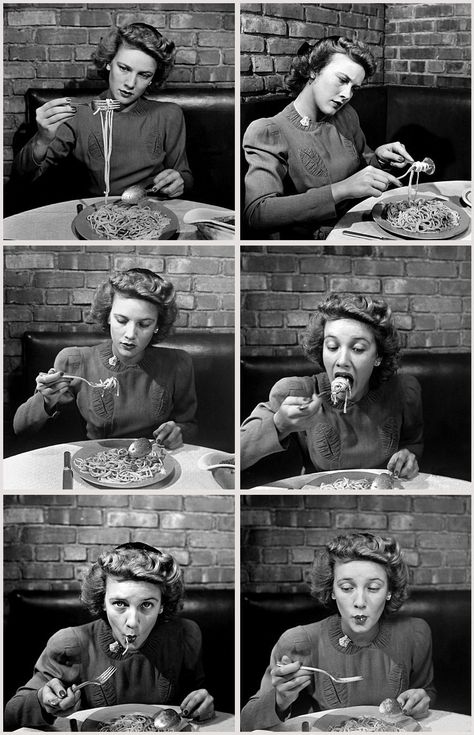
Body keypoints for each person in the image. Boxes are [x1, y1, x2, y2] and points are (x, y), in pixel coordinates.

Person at [4, 542, 214, 730]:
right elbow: (10, 715)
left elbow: (198, 700)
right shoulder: (70, 643)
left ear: (162, 606)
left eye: (147, 604)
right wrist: (42, 701)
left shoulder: (186, 635)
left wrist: (202, 704)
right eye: (120, 604)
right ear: (102, 602)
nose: (132, 621)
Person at [241, 532, 435, 730]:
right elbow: (246, 723)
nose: (360, 602)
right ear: (332, 590)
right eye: (347, 588)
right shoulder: (299, 642)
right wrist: (280, 699)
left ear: (389, 591)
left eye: (374, 587)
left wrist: (420, 700)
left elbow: (426, 693)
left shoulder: (415, 634)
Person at [243, 36, 414, 239]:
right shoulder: (268, 131)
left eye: (354, 88)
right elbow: (257, 214)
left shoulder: (346, 114)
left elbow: (364, 166)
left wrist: (380, 159)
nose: (347, 94)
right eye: (342, 80)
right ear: (314, 70)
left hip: (363, 226)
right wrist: (342, 189)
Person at [241, 293, 422, 479]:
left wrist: (408, 456)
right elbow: (233, 460)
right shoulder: (296, 393)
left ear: (378, 357)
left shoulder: (404, 392)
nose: (342, 360)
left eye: (358, 349)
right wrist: (279, 425)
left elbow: (413, 443)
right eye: (333, 347)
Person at [13, 268, 197, 448]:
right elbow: (20, 429)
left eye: (144, 324)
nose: (130, 334)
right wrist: (45, 401)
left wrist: (178, 431)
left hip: (154, 463)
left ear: (157, 325)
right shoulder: (74, 361)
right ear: (108, 315)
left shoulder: (178, 363)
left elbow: (191, 426)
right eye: (122, 321)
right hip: (97, 465)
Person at [11, 22, 193, 200]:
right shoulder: (78, 114)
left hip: (152, 211)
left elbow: (184, 175)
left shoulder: (169, 114)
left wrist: (179, 181)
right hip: (96, 215)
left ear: (152, 79)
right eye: (124, 68)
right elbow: (24, 176)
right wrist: (41, 141)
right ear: (108, 63)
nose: (130, 83)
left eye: (144, 75)